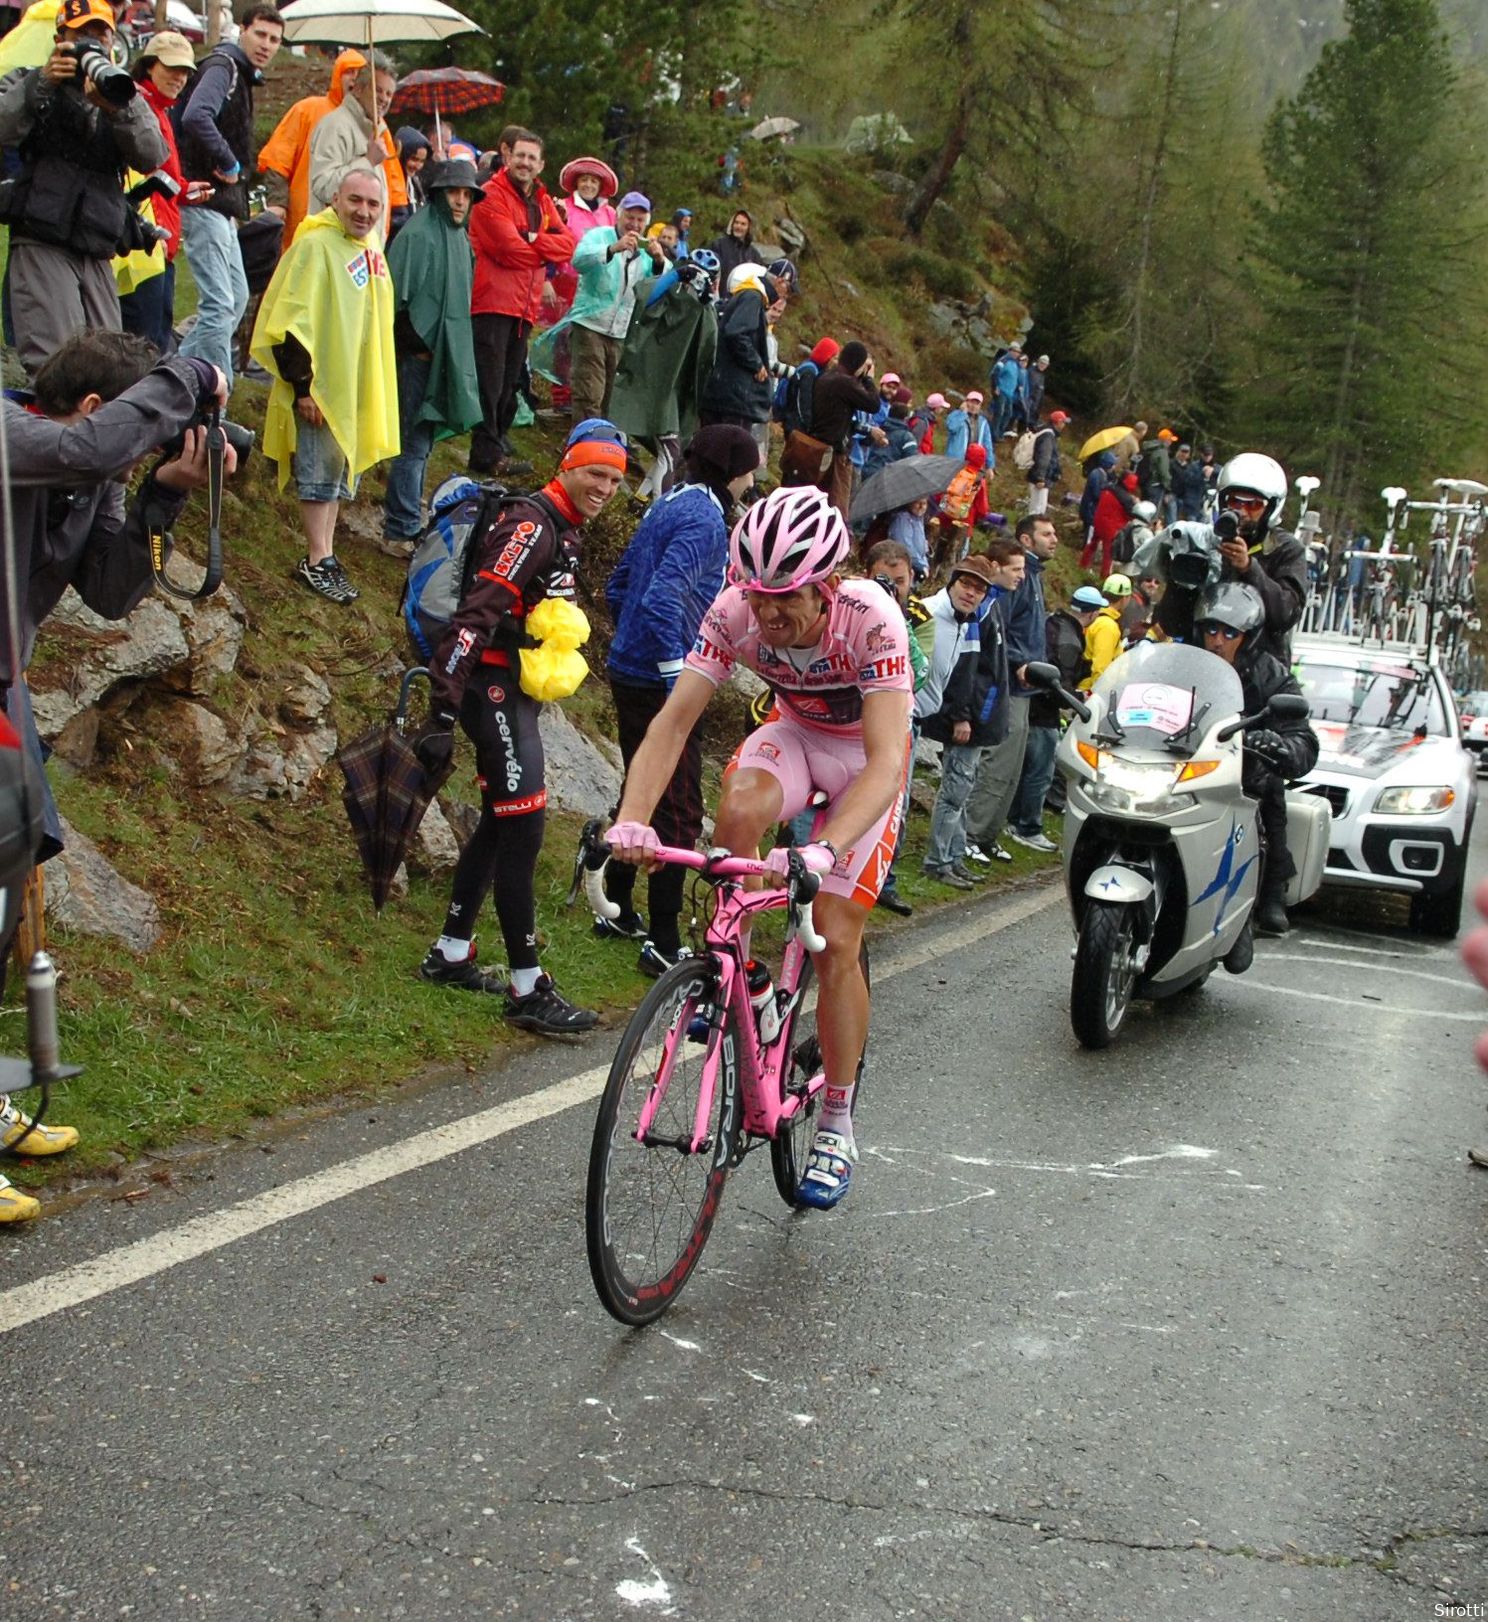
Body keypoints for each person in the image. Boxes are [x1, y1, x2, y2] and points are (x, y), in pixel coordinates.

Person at [607, 486, 913, 1209]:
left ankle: (836, 1117)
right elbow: (673, 723)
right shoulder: (734, 611)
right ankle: (740, 977)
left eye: (787, 599)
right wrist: (633, 818)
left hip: (866, 764)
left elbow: (885, 765)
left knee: (837, 938)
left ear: (827, 585)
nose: (768, 614)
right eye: (758, 594)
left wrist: (824, 851)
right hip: (798, 739)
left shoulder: (872, 620)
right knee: (738, 809)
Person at [414, 420, 629, 1034]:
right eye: (595, 473)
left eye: (614, 479)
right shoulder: (531, 525)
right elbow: (473, 616)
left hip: (511, 690)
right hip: (491, 692)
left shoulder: (562, 527)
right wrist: (443, 711)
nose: (605, 487)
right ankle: (527, 986)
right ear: (566, 466)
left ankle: (451, 953)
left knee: (499, 821)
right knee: (524, 830)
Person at [601, 425, 761, 973]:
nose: (752, 481)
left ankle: (617, 907)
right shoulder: (707, 519)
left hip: (628, 668)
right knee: (679, 809)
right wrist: (676, 673)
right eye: (750, 471)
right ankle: (665, 942)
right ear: (735, 471)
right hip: (662, 678)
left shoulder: (668, 501)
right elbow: (664, 597)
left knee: (639, 788)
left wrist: (628, 641)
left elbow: (617, 586)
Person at [249, 166, 399, 604]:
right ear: (336, 199)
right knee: (318, 472)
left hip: (353, 385)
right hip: (320, 386)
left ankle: (327, 554)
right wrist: (303, 386)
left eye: (373, 204)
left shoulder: (370, 249)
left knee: (338, 473)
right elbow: (292, 321)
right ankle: (315, 558)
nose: (364, 212)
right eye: (356, 201)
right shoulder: (315, 245)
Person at [0, 0, 168, 377]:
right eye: (82, 35)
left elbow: (152, 154)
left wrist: (117, 108)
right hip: (43, 241)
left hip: (98, 249)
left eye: (101, 34)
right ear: (60, 38)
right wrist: (40, 85)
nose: (92, 44)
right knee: (58, 369)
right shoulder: (29, 80)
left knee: (107, 372)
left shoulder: (121, 93)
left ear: (113, 41)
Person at [1193, 581, 1318, 936]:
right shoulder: (1184, 660)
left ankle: (1269, 890)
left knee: (1269, 791)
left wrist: (1279, 746)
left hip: (1242, 774)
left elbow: (1301, 735)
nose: (1218, 639)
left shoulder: (1270, 673)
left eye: (1230, 632)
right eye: (1211, 629)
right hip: (1186, 766)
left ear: (1247, 636)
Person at [175, 3, 284, 387]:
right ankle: (212, 391)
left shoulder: (240, 74)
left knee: (236, 299)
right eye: (261, 34)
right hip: (205, 200)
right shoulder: (224, 66)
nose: (267, 45)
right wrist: (229, 161)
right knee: (221, 305)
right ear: (242, 30)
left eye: (274, 39)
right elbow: (195, 115)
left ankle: (176, 368)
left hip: (223, 207)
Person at [380, 158, 484, 556]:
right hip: (416, 359)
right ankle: (400, 527)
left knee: (421, 444)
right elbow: (396, 304)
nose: (460, 202)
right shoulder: (419, 235)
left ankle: (406, 520)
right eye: (454, 193)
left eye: (466, 195)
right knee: (412, 444)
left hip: (441, 358)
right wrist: (418, 346)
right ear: (439, 194)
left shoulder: (459, 238)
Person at [467, 127, 574, 477]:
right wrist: (540, 248)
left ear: (541, 164)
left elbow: (568, 244)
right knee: (490, 382)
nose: (525, 163)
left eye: (532, 158)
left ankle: (493, 449)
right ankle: (484, 454)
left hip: (524, 306)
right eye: (520, 155)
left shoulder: (542, 201)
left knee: (510, 384)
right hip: (492, 302)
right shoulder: (489, 195)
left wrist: (531, 239)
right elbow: (508, 250)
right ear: (506, 154)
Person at [922, 542, 1022, 885]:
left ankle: (953, 856)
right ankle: (938, 861)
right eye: (967, 584)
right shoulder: (941, 613)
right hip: (963, 717)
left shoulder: (981, 611)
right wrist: (964, 715)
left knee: (962, 789)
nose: (973, 593)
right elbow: (968, 671)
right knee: (954, 790)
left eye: (979, 588)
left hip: (981, 717)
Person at [1155, 452, 1307, 664]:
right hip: (1200, 667)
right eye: (1234, 502)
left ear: (1271, 507)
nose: (1242, 511)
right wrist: (1180, 580)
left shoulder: (1286, 549)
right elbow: (1173, 624)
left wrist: (1249, 568)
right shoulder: (1203, 542)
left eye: (1253, 505)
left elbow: (1286, 615)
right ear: (1222, 501)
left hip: (1259, 675)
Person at [965, 513, 1057, 862]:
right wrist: (1019, 662)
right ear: (1027, 539)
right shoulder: (1012, 581)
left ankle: (989, 833)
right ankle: (972, 833)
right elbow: (999, 631)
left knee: (1013, 768)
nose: (1054, 540)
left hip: (1026, 688)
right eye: (1046, 533)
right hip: (1009, 686)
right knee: (997, 764)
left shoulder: (1032, 577)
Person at [116, 30, 198, 357]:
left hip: (161, 245)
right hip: (142, 247)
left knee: (157, 342)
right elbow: (136, 177)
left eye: (185, 72)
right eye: (171, 68)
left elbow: (161, 175)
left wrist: (186, 189)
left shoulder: (160, 109)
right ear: (150, 66)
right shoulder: (136, 106)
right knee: (142, 349)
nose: (179, 78)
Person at [863, 537, 929, 916]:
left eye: (899, 581)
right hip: (852, 725)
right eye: (882, 580)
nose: (891, 588)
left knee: (893, 805)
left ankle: (884, 881)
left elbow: (920, 673)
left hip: (900, 723)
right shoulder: (851, 609)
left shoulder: (915, 619)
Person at [1008, 584, 1102, 845]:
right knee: (1040, 773)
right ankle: (1028, 828)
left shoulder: (1054, 623)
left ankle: (1015, 821)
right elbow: (1059, 682)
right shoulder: (1069, 640)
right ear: (1093, 614)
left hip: (1032, 707)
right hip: (1044, 714)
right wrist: (1078, 700)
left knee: (1024, 770)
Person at [567, 188, 666, 420]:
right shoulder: (599, 235)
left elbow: (661, 288)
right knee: (590, 393)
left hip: (622, 332)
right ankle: (584, 447)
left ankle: (606, 448)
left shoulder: (648, 251)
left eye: (640, 220)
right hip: (590, 324)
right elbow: (579, 261)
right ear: (618, 216)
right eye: (630, 217)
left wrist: (660, 261)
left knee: (612, 398)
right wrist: (612, 249)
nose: (634, 224)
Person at [257, 49, 365, 248]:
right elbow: (278, 160)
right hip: (305, 221)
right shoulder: (306, 110)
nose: (354, 79)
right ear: (337, 75)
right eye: (349, 71)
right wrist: (278, 204)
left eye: (361, 74)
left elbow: (391, 181)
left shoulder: (372, 124)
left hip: (354, 227)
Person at [307, 49, 401, 230]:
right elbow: (323, 186)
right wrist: (367, 162)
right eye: (378, 90)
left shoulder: (375, 132)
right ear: (358, 89)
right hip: (335, 246)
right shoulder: (335, 125)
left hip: (363, 249)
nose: (384, 99)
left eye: (389, 94)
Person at [804, 340, 879, 519]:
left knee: (812, 500)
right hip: (834, 453)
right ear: (858, 365)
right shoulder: (844, 383)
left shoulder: (826, 376)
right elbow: (873, 404)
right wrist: (868, 378)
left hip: (815, 446)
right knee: (837, 508)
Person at [699, 261, 776, 432]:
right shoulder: (752, 297)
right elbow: (736, 333)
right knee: (728, 449)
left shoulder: (732, 303)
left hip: (717, 391)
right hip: (732, 396)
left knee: (706, 444)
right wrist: (756, 363)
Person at [1084, 468, 1138, 576]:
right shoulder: (1126, 499)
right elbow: (1131, 515)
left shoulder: (1108, 487)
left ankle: (1083, 565)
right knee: (1109, 554)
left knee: (1092, 545)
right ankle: (1104, 576)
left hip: (1098, 521)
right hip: (1111, 527)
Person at [1082, 572, 1131, 688]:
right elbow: (1100, 668)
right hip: (1091, 691)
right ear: (1124, 599)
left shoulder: (1096, 615)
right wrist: (1099, 695)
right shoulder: (1107, 626)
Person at [388, 126, 430, 240]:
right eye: (414, 159)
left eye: (422, 161)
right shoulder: (388, 181)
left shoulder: (415, 182)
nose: (418, 166)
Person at [1025, 409, 1069, 516]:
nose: (1064, 425)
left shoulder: (1046, 433)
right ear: (1058, 422)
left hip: (1039, 477)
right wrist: (1040, 478)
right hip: (1041, 480)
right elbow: (1044, 457)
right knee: (1038, 510)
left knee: (1036, 508)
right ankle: (1032, 530)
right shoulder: (1048, 436)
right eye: (1063, 422)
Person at [706, 206, 754, 283]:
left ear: (749, 228)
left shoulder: (754, 254)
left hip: (743, 293)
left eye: (743, 224)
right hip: (720, 293)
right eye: (736, 222)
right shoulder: (718, 245)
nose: (738, 226)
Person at [944, 390, 994, 462]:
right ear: (966, 402)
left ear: (980, 406)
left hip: (973, 462)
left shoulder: (983, 422)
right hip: (955, 460)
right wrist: (963, 413)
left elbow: (987, 444)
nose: (974, 406)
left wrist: (990, 464)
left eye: (977, 403)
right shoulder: (956, 415)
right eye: (971, 402)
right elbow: (951, 427)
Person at [1171, 441, 1206, 521]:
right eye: (1182, 451)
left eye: (1186, 452)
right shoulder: (1171, 463)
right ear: (1178, 451)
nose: (1184, 454)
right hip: (1173, 494)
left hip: (1186, 498)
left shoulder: (1190, 467)